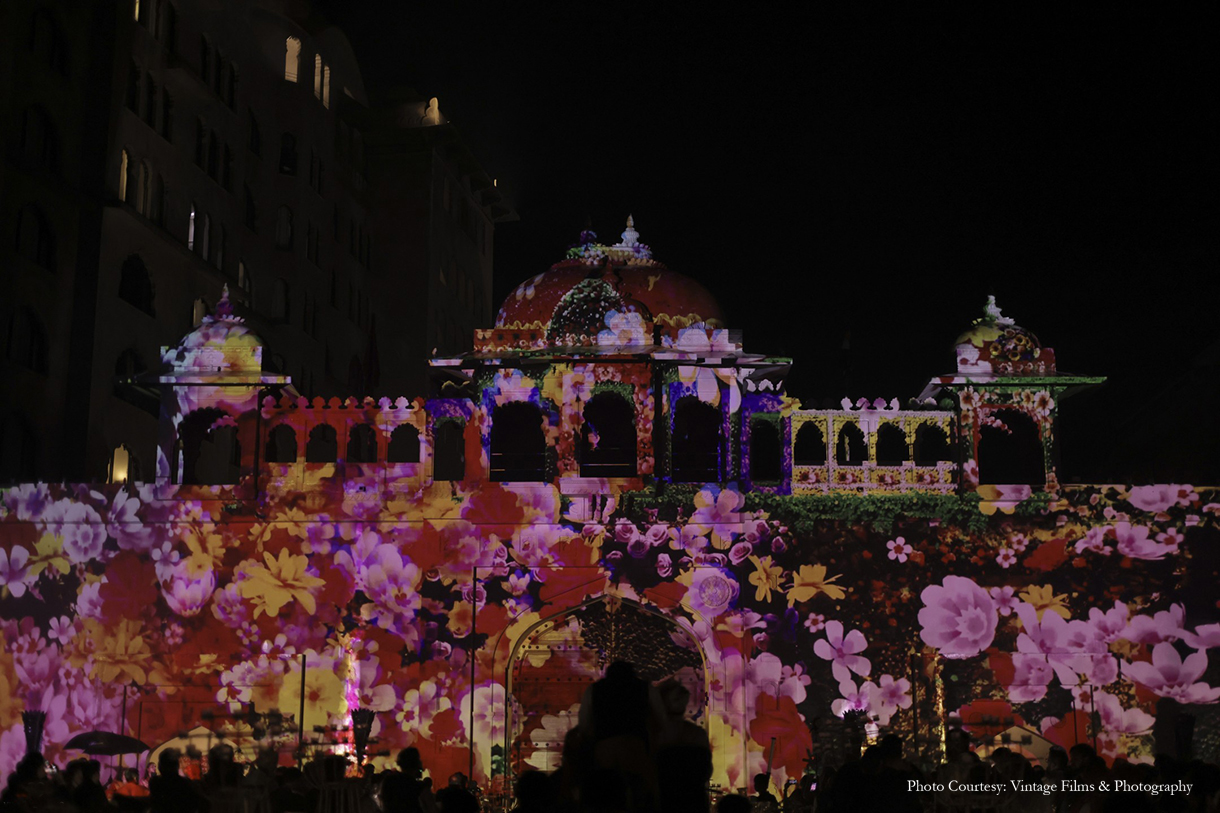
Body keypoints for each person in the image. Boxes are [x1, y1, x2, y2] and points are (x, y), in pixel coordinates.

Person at [654, 679, 712, 813]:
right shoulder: (697, 734)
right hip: (693, 800)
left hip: (662, 800)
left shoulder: (653, 734)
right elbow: (706, 770)